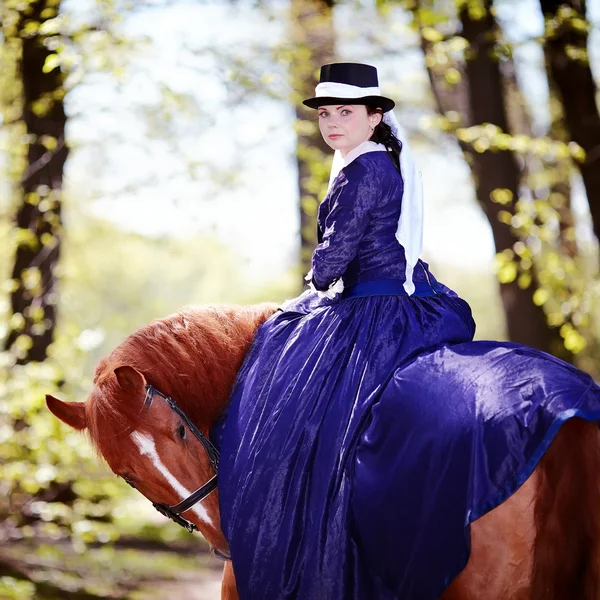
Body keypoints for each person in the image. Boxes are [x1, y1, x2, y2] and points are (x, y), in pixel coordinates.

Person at [213, 63, 600, 600]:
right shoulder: (364, 163)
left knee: (292, 392)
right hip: (389, 293)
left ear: (374, 117)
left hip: (370, 307)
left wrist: (314, 281)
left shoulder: (364, 171)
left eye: (345, 112)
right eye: (326, 113)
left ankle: (306, 530)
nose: (332, 123)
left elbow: (336, 254)